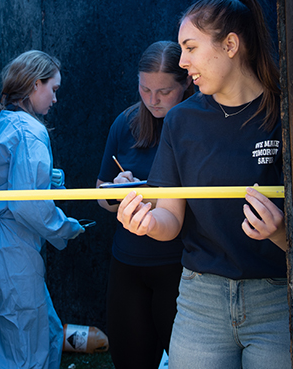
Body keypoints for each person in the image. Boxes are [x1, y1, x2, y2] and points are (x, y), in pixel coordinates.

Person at [116, 0, 290, 368]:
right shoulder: (181, 120)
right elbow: (170, 221)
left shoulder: (288, 111)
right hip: (201, 299)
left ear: (230, 44)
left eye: (191, 48)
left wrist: (280, 231)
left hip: (277, 297)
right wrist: (144, 223)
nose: (183, 61)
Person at [0, 50, 86, 369]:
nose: (55, 98)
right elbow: (27, 204)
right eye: (54, 88)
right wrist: (67, 228)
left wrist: (49, 180)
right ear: (36, 84)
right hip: (14, 248)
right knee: (26, 355)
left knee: (46, 334)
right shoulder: (29, 130)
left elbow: (2, 184)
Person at [95, 41, 193, 369]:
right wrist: (115, 191)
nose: (152, 100)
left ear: (187, 83)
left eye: (164, 91)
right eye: (144, 88)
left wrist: (151, 196)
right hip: (128, 263)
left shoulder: (197, 124)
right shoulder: (126, 122)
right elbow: (100, 193)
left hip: (182, 266)